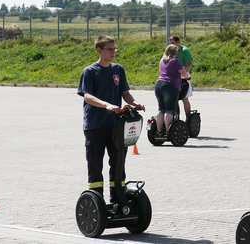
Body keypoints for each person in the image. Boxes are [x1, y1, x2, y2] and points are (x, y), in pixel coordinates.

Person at [77, 35, 145, 202]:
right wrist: (107, 105)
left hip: (116, 126)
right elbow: (87, 97)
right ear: (99, 50)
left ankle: (118, 199)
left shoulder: (118, 69)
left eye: (114, 49)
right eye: (109, 49)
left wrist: (135, 103)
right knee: (95, 166)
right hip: (95, 126)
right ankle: (97, 201)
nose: (113, 52)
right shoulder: (90, 71)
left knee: (118, 165)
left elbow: (125, 94)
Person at [154, 45, 191, 135]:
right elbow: (183, 72)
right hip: (170, 86)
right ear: (175, 53)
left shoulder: (162, 60)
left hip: (158, 85)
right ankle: (168, 130)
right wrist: (188, 77)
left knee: (161, 109)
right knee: (169, 110)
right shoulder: (175, 61)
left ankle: (159, 130)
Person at [169, 35, 194, 119]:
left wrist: (181, 70)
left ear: (178, 42)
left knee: (185, 99)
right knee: (174, 99)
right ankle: (176, 118)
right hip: (174, 76)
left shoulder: (184, 50)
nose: (171, 45)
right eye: (170, 44)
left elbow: (190, 64)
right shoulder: (170, 51)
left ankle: (188, 118)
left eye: (173, 43)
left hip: (183, 76)